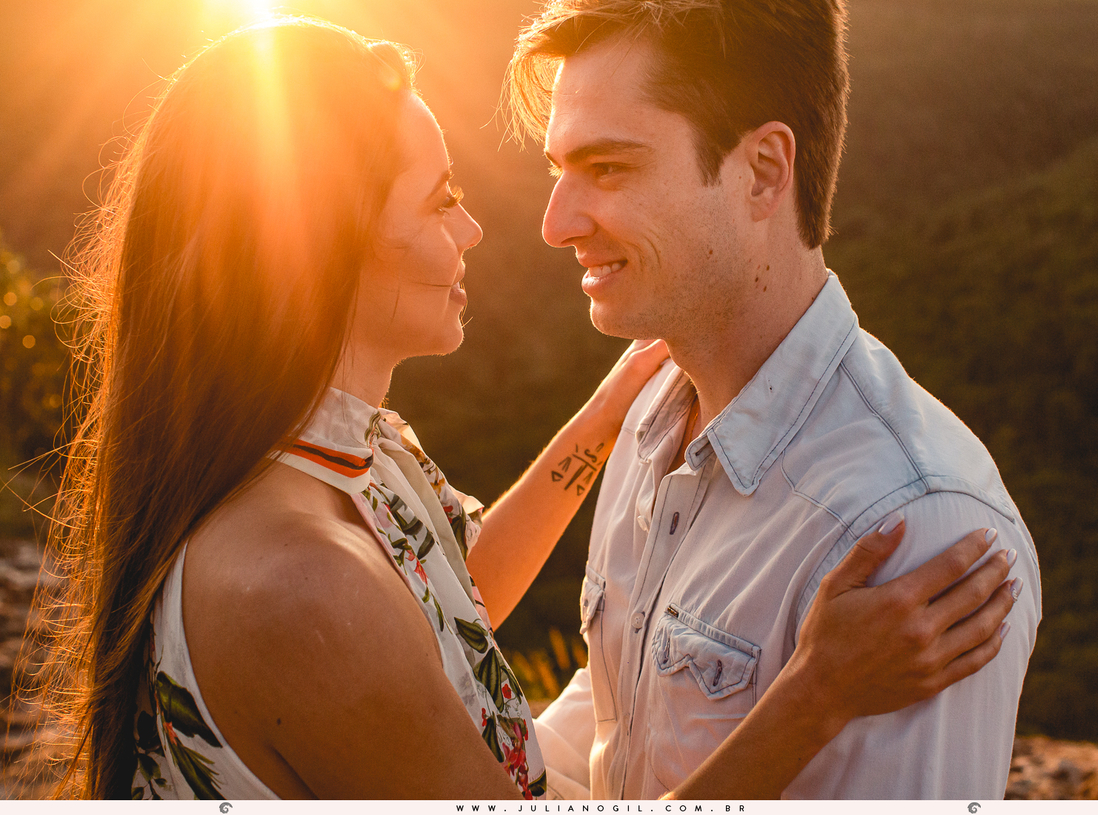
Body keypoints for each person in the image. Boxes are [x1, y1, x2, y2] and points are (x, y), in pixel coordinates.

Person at [31, 17, 1018, 800]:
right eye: (440, 199)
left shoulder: (345, 451)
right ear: (315, 251)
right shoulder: (298, 586)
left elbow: (452, 592)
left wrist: (604, 419)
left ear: (766, 170)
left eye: (609, 167)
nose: (499, 226)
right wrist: (816, 695)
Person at [504, 0, 1043, 800]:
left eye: (608, 168)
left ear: (762, 172)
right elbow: (626, 714)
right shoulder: (653, 420)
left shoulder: (913, 530)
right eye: (559, 171)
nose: (556, 223)